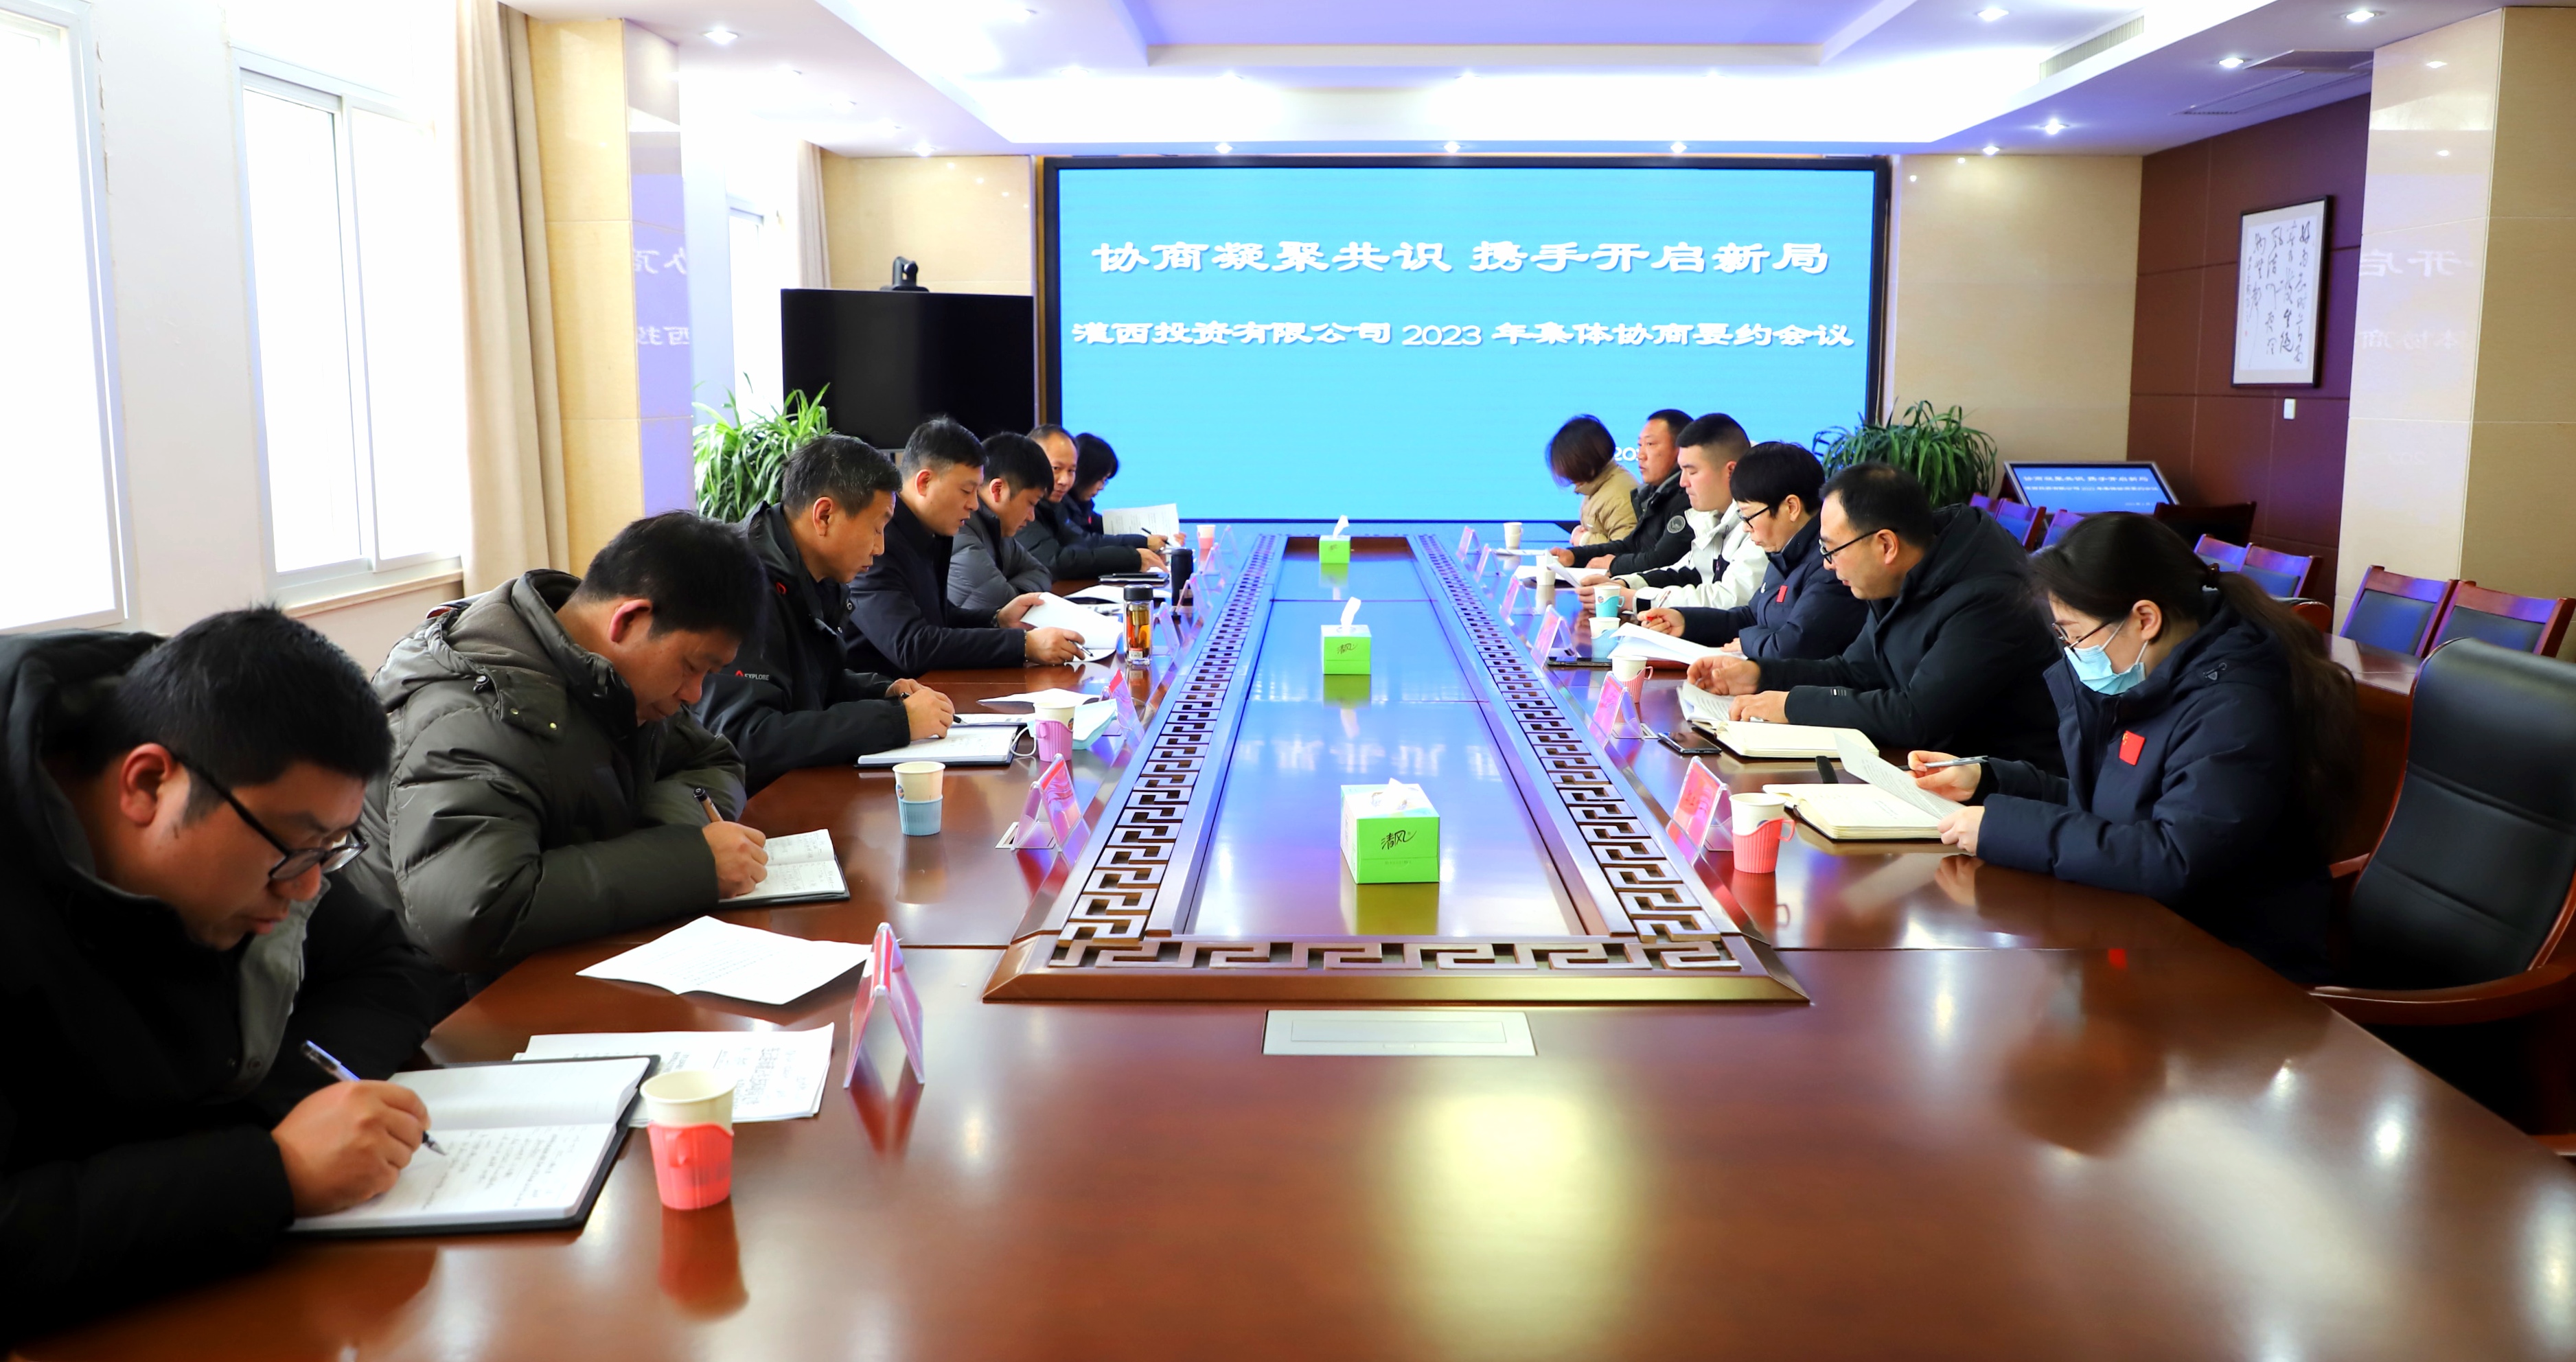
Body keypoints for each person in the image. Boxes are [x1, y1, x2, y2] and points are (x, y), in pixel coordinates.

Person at [0, 610, 454, 1341]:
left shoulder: (248, 792)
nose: (306, 889)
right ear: (148, 782)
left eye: (330, 850)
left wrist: (275, 1123)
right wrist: (271, 1171)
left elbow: (386, 965)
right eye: (298, 848)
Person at [1906, 513, 2359, 981]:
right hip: (2155, 938)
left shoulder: (2235, 707)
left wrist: (2002, 828)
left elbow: (2172, 857)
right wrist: (1988, 779)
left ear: (2145, 619)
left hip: (2231, 968)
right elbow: (2109, 807)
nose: (2071, 651)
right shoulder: (2155, 680)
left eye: (2075, 634)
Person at [347, 512, 775, 980]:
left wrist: (661, 837)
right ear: (629, 620)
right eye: (692, 667)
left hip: (553, 959)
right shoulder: (474, 717)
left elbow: (709, 759)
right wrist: (689, 863)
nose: (694, 694)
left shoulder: (608, 678)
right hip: (437, 996)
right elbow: (476, 910)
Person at [1688, 461, 2061, 768]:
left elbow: (1918, 717)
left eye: (1832, 550)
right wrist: (1760, 675)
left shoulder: (1989, 598)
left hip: (2003, 786)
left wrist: (1790, 704)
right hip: (1931, 768)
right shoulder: (1902, 574)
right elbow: (1855, 671)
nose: (1827, 565)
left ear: (1886, 545)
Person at [697, 434, 956, 794]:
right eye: (876, 528)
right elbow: (745, 738)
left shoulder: (816, 576)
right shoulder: (743, 583)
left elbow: (812, 688)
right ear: (825, 516)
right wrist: (895, 721)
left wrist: (882, 692)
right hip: (747, 805)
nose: (880, 547)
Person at [844, 416, 1088, 676]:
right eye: (966, 491)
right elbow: (912, 645)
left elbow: (938, 617)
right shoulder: (879, 541)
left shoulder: (931, 532)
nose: (974, 505)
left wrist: (997, 619)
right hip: (881, 692)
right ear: (924, 482)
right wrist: (1024, 645)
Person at [1637, 441, 1866, 660]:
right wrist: (1686, 621)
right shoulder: (1784, 552)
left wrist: (1748, 642)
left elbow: (1795, 646)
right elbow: (1751, 616)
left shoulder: (1832, 563)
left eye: (1749, 516)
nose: (1746, 528)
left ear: (1791, 507)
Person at [1584, 415, 1770, 612]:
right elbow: (1685, 572)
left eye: (1692, 472)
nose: (1683, 482)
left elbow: (1731, 599)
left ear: (1730, 471)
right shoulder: (1710, 517)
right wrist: (1625, 584)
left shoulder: (1761, 522)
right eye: (1682, 471)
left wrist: (1635, 599)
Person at [1553, 408, 1719, 575]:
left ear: (1681, 451)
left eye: (1650, 444)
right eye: (1640, 445)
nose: (1640, 455)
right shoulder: (1653, 495)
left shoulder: (1687, 498)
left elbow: (1662, 561)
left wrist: (1614, 565)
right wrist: (1575, 556)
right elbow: (1631, 545)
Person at [1014, 424, 1166, 578]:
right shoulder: (1017, 504)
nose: (1065, 480)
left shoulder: (1053, 506)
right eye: (1056, 468)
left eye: (1071, 471)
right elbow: (1054, 561)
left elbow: (1080, 542)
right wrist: (1132, 558)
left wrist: (1136, 552)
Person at [950, 432, 1059, 614]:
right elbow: (1001, 607)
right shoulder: (959, 529)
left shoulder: (998, 529)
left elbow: (1041, 571)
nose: (1031, 516)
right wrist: (1016, 596)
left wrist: (1013, 591)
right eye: (1031, 503)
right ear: (998, 490)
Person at [1543, 414, 1640, 546]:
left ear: (1586, 463)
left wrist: (1585, 540)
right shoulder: (1595, 484)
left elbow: (1624, 550)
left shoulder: (1619, 496)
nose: (1571, 479)